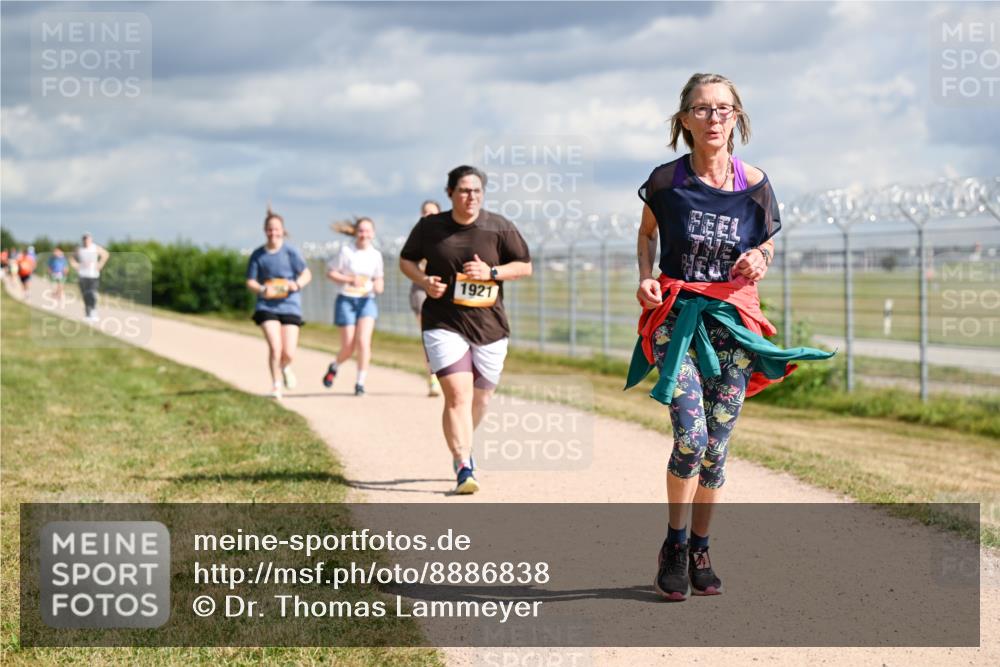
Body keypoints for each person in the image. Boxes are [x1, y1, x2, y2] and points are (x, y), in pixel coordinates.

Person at [625, 73, 834, 601]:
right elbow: (647, 233)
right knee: (691, 437)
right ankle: (673, 545)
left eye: (723, 109)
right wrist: (645, 277)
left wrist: (760, 258)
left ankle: (701, 547)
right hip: (680, 320)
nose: (713, 118)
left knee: (717, 449)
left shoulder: (756, 183)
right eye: (701, 109)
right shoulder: (667, 181)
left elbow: (767, 246)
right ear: (684, 120)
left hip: (734, 324)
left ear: (737, 117)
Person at [400, 165, 532, 494]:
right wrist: (423, 280)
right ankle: (463, 464)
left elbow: (525, 266)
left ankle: (464, 442)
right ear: (450, 193)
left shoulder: (498, 227)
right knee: (457, 395)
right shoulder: (430, 227)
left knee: (481, 399)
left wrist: (493, 271)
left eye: (476, 190)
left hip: (490, 326)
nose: (470, 196)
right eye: (463, 190)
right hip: (443, 322)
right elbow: (406, 260)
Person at [246, 207, 312, 399]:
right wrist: (262, 289)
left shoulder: (291, 252)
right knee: (275, 346)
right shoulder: (258, 255)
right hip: (266, 306)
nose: (273, 233)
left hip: (290, 304)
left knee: (288, 351)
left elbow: (306, 273)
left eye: (276, 229)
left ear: (282, 230)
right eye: (269, 229)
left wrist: (296, 284)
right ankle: (276, 386)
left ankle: (285, 365)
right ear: (264, 230)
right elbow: (250, 281)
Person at [321, 217, 385, 396]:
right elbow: (330, 272)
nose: (364, 234)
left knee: (364, 342)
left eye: (367, 231)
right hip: (346, 300)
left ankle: (360, 383)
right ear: (356, 232)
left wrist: (376, 286)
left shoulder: (376, 255)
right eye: (361, 231)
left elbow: (379, 279)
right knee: (349, 346)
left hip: (367, 301)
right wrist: (350, 279)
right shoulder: (346, 251)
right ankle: (335, 366)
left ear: (372, 233)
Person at [410, 200, 443, 396]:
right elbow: (408, 262)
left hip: (443, 289)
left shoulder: (448, 235)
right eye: (425, 212)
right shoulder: (417, 237)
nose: (428, 215)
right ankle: (433, 377)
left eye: (432, 212)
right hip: (421, 288)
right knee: (429, 335)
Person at [69, 234, 108, 321]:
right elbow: (71, 258)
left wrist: (100, 264)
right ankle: (88, 313)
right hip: (82, 275)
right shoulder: (79, 249)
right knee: (85, 295)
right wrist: (76, 266)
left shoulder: (95, 248)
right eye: (84, 239)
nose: (86, 241)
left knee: (92, 293)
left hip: (93, 275)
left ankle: (93, 311)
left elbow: (105, 254)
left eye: (87, 239)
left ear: (91, 239)